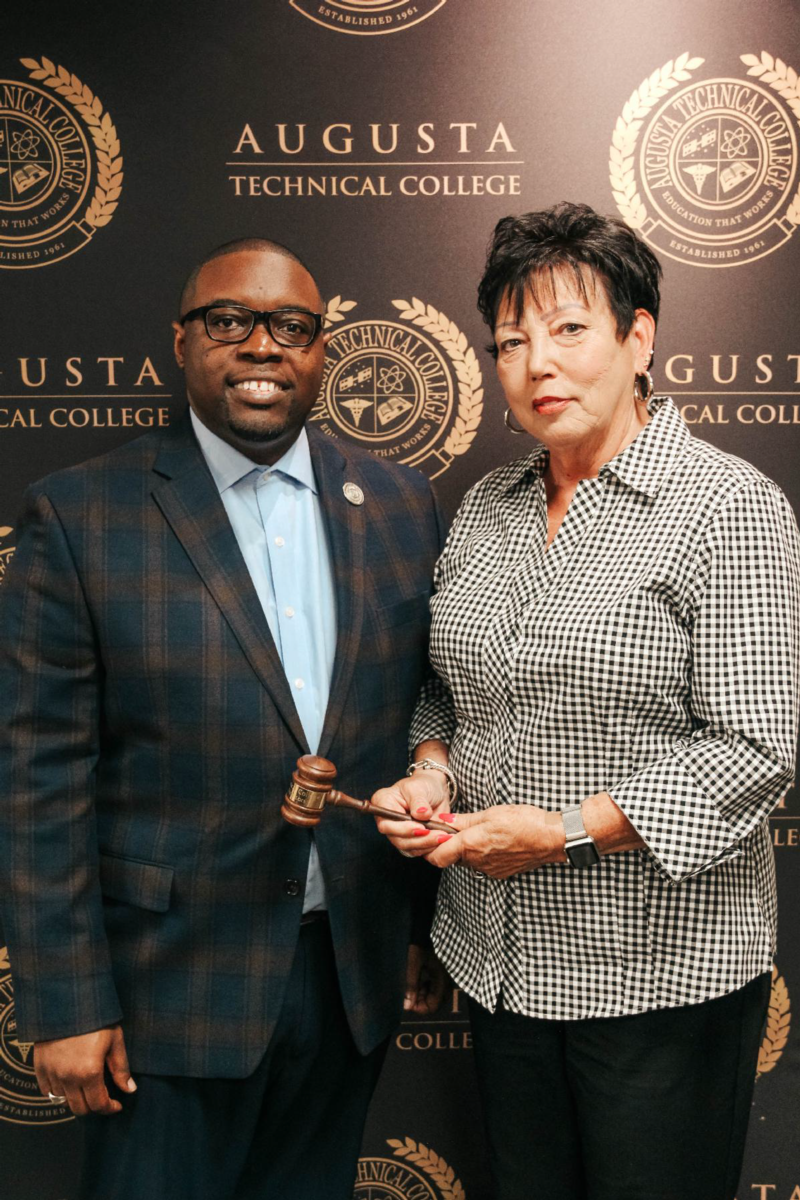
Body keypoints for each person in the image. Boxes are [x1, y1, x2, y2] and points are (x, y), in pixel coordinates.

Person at [0, 237, 446, 1200]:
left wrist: (418, 928)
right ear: (182, 340)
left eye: (291, 327)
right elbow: (37, 777)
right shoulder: (82, 516)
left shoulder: (402, 505)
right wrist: (66, 1001)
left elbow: (421, 707)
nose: (261, 347)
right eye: (229, 322)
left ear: (322, 350)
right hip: (164, 1000)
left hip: (344, 981)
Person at [372, 202, 800, 1200]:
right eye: (510, 342)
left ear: (637, 336)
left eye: (567, 330)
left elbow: (752, 748)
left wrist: (564, 834)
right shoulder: (489, 504)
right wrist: (427, 769)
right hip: (498, 962)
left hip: (655, 979)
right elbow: (447, 683)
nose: (535, 365)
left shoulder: (724, 507)